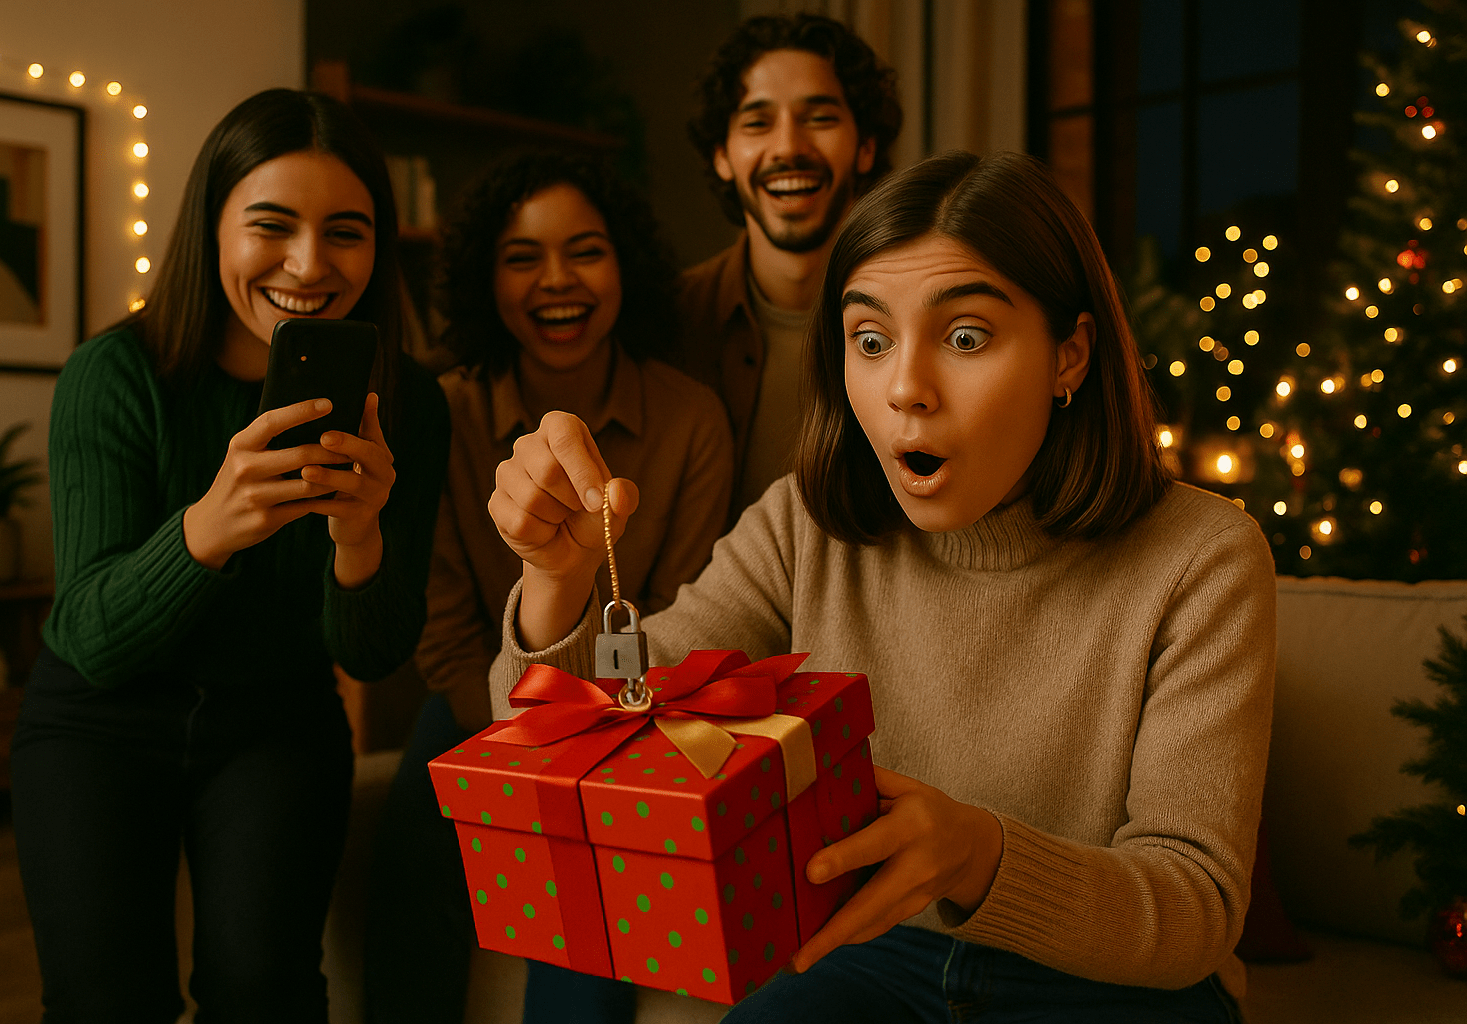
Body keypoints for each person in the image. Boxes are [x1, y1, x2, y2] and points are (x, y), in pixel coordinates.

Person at [485, 151, 1276, 1023]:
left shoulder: (1203, 557)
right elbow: (581, 745)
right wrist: (555, 580)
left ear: (1070, 355)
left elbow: (1195, 908)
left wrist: (979, 855)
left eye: (965, 337)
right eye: (871, 340)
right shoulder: (803, 525)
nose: (905, 388)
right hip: (880, 955)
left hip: (1111, 987)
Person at [10, 89, 449, 1024]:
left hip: (277, 719)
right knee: (103, 1000)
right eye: (272, 225)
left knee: (265, 991)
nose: (309, 264)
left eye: (346, 232)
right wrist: (209, 527)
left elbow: (374, 655)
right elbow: (90, 637)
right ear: (211, 226)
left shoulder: (408, 403)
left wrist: (359, 536)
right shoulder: (114, 374)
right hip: (98, 718)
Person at [362, 151, 734, 1024]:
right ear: (484, 280)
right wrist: (525, 743)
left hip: (630, 720)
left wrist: (581, 756)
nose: (557, 280)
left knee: (592, 895)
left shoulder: (691, 419)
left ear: (626, 267)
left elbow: (681, 618)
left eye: (585, 251)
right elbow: (445, 634)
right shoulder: (443, 414)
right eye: (522, 257)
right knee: (408, 870)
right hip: (475, 707)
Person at [679, 12, 902, 518]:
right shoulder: (669, 321)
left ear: (866, 147)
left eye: (819, 118)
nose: (788, 148)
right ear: (722, 155)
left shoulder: (920, 318)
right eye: (757, 123)